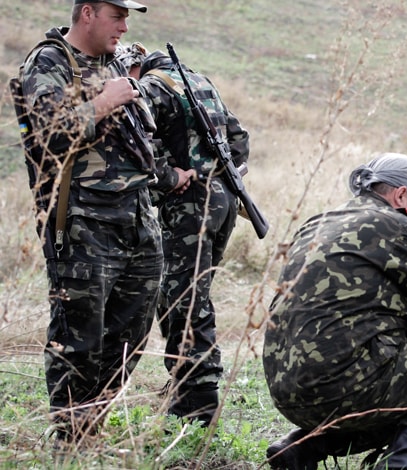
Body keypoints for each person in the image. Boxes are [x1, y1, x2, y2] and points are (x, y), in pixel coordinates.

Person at [262, 153, 407, 470]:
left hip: (286, 392)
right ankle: (400, 462)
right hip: (341, 391)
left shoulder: (316, 224)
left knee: (393, 394)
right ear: (400, 194)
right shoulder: (395, 226)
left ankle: (303, 447)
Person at [16, 0, 161, 446]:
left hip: (135, 216)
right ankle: (70, 439)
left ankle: (91, 420)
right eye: (117, 16)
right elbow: (48, 135)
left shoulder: (113, 62)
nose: (124, 26)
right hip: (80, 219)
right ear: (87, 14)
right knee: (79, 333)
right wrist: (104, 101)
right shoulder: (50, 61)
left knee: (132, 328)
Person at [123, 46, 250, 426]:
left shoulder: (151, 85)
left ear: (134, 66)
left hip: (189, 206)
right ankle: (187, 383)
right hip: (222, 201)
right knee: (191, 291)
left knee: (184, 297)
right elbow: (239, 137)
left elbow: (135, 142)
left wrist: (168, 177)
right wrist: (225, 174)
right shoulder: (199, 81)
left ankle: (198, 398)